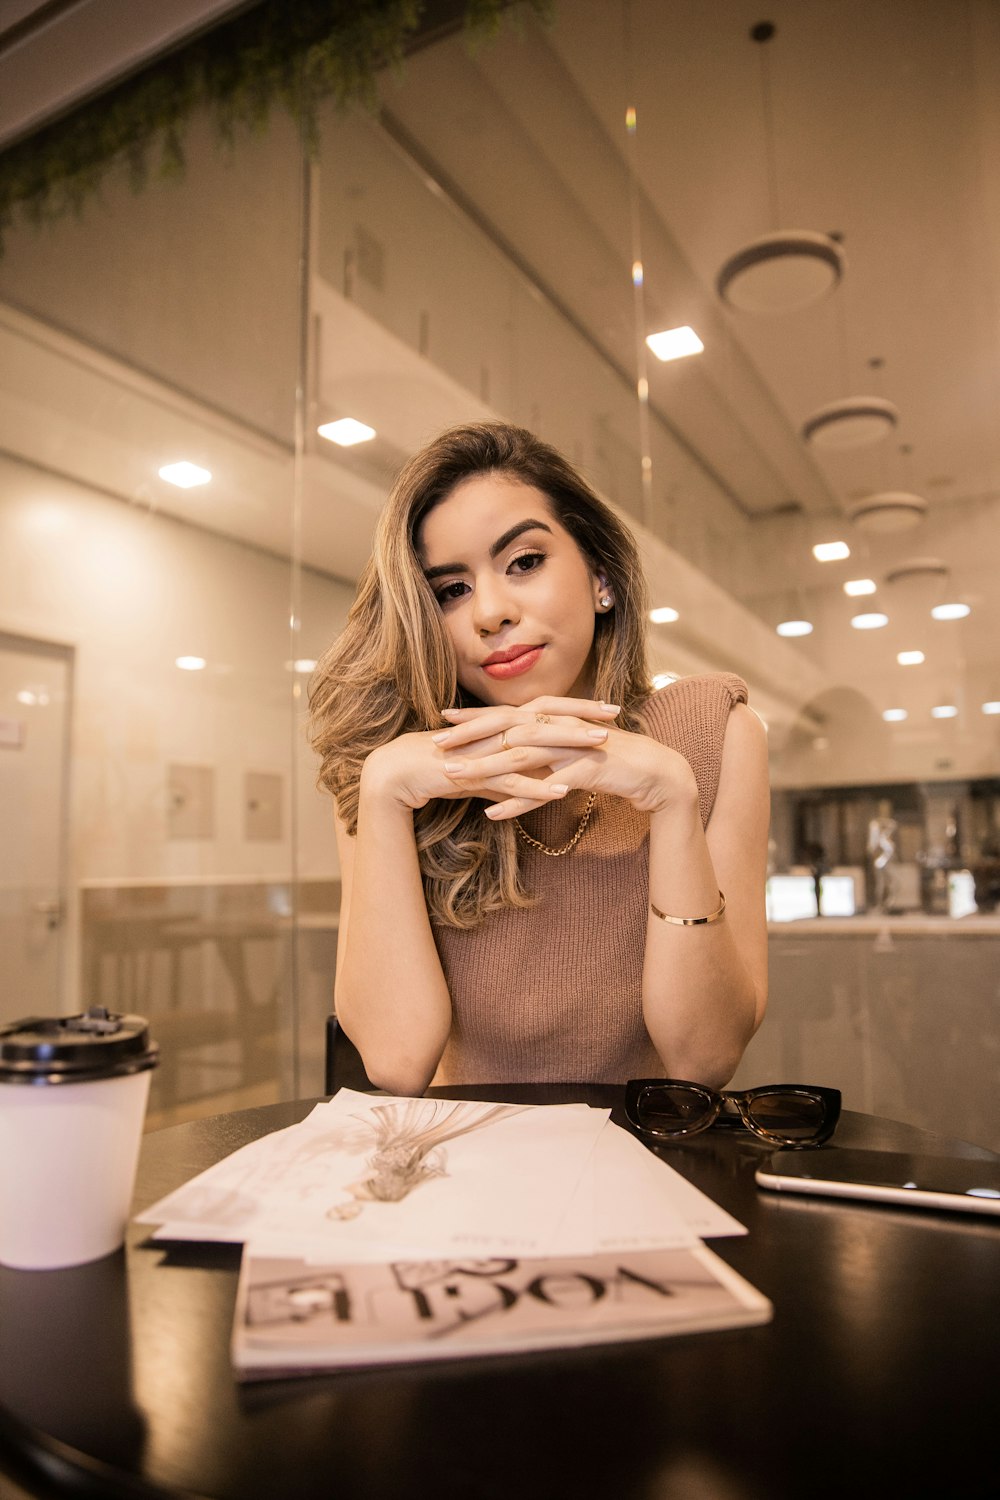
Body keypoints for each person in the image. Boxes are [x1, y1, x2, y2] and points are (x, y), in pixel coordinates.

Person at [309, 422, 769, 1095]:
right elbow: (396, 1061)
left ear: (601, 576)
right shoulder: (384, 762)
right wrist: (380, 796)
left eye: (523, 561)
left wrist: (672, 799)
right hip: (464, 1171)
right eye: (450, 590)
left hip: (649, 1167)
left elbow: (704, 1059)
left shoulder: (713, 734)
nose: (491, 612)